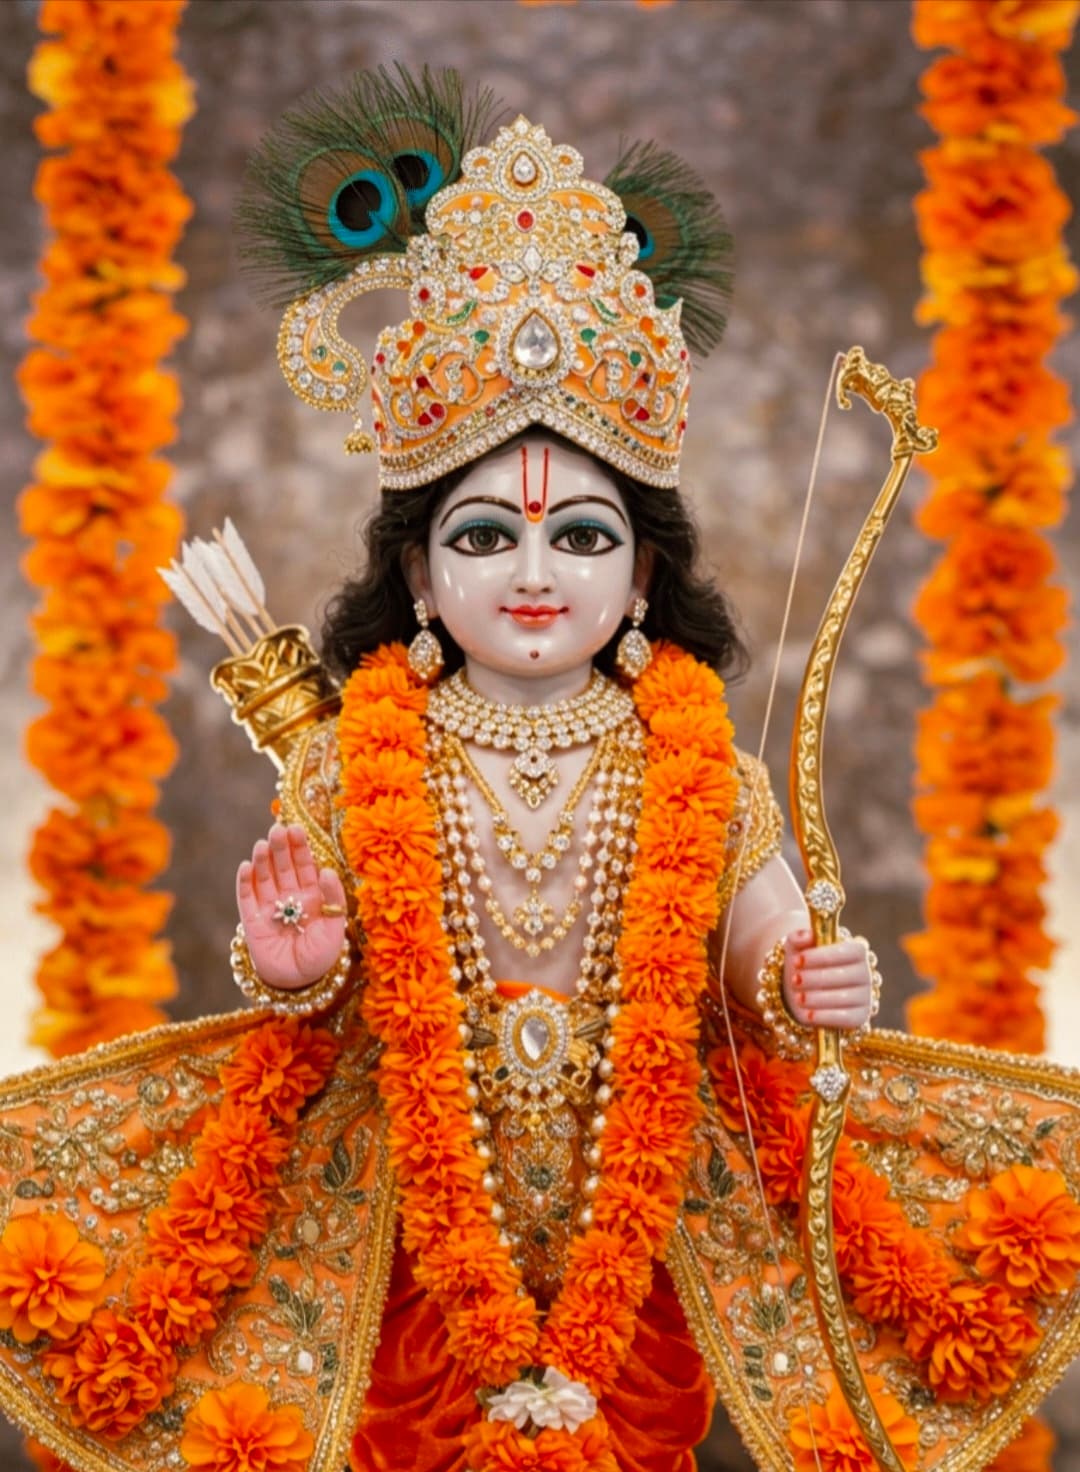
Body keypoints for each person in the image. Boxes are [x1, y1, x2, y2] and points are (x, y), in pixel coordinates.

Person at [0, 65, 1078, 1472]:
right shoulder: (360, 761)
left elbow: (757, 946)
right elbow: (324, 977)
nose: (532, 572)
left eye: (581, 536)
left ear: (643, 579)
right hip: (415, 1219)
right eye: (482, 537)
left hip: (646, 1222)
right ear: (415, 573)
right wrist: (293, 963)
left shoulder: (695, 763)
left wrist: (798, 981)